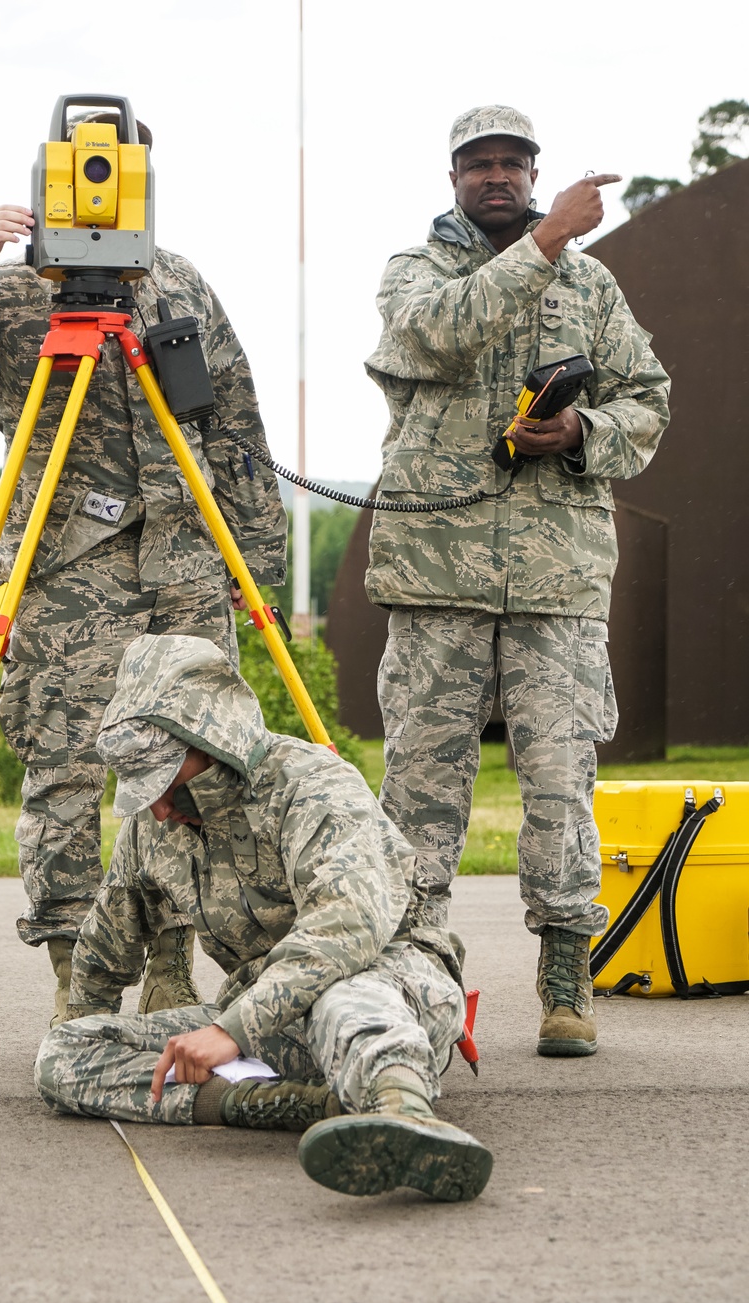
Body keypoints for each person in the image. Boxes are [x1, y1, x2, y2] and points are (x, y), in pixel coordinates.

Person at [0, 113, 286, 1023]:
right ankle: (76, 973)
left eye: (117, 167)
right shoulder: (12, 296)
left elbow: (239, 434)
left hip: (186, 570)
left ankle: (174, 962)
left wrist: (261, 573)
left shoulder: (180, 286)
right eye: (82, 167)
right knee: (62, 771)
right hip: (66, 574)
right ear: (47, 175)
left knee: (195, 773)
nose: (98, 183)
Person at [364, 104, 670, 1058]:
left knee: (560, 779)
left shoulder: (594, 286)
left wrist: (581, 433)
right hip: (436, 569)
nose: (496, 178)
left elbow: (649, 399)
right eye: (478, 165)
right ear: (453, 178)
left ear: (533, 173)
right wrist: (543, 243)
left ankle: (566, 969)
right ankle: (415, 966)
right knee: (421, 784)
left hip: (556, 574)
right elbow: (441, 336)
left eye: (514, 164)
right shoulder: (415, 273)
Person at [34, 634, 493, 1203]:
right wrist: (87, 1025)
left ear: (215, 744)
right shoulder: (155, 826)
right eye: (143, 790)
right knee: (64, 1054)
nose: (158, 809)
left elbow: (343, 931)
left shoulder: (315, 788)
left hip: (388, 986)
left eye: (167, 783)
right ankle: (293, 1106)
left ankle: (405, 1114)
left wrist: (231, 1032)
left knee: (346, 997)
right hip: (266, 1028)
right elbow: (108, 941)